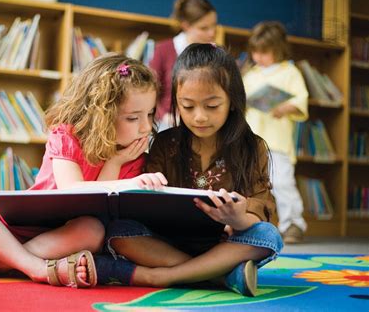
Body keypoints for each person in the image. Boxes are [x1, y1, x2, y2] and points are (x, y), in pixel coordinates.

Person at [0, 53, 167, 288]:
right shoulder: (67, 135)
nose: (145, 127)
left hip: (61, 238)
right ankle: (37, 268)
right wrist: (126, 182)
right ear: (101, 115)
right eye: (133, 118)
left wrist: (114, 163)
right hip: (12, 227)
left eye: (150, 114)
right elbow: (71, 189)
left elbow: (99, 209)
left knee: (93, 231)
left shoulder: (134, 157)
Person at [103, 43, 283, 297]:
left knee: (269, 236)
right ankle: (220, 275)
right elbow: (142, 202)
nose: (199, 117)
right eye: (187, 106)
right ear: (176, 102)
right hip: (169, 242)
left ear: (232, 101)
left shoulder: (252, 147)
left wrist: (238, 219)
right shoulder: (166, 144)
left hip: (226, 244)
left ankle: (161, 276)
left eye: (212, 106)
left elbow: (264, 207)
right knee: (118, 232)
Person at [243, 21, 309, 244]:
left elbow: (301, 100)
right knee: (251, 183)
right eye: (255, 51)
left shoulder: (290, 72)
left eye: (264, 52)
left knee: (282, 183)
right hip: (252, 140)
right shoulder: (250, 74)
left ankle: (293, 224)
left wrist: (286, 107)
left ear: (278, 49)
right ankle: (255, 224)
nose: (258, 56)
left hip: (278, 142)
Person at [149, 0, 217, 131]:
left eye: (214, 26)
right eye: (204, 28)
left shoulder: (216, 53)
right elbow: (149, 90)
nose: (212, 33)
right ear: (186, 26)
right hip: (168, 125)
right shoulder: (163, 50)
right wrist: (164, 116)